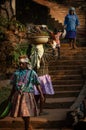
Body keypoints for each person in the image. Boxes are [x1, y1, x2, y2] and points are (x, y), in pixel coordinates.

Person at [8, 55, 44, 130]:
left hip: (28, 95)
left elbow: (37, 84)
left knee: (26, 113)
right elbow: (14, 86)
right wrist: (10, 96)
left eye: (22, 63)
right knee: (21, 112)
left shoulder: (32, 73)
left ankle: (27, 128)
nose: (21, 65)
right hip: (18, 94)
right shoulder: (16, 73)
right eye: (20, 63)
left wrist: (41, 94)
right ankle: (28, 126)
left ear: (27, 64)